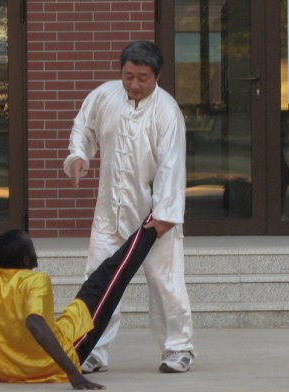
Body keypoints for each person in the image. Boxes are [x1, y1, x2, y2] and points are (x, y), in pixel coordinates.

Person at [63, 40, 195, 374]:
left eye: (142, 78)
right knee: (97, 278)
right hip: (109, 212)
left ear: (157, 77)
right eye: (128, 76)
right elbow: (84, 127)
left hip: (153, 217)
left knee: (164, 281)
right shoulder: (104, 96)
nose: (134, 84)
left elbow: (172, 166)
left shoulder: (167, 112)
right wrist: (78, 156)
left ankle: (178, 348)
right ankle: (92, 349)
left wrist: (165, 215)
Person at [0, 215, 158, 388]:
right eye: (33, 249)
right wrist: (73, 374)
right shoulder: (35, 279)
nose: (36, 252)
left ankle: (151, 225)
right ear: (26, 259)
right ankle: (153, 225)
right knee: (111, 275)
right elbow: (34, 323)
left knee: (95, 284)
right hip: (50, 367)